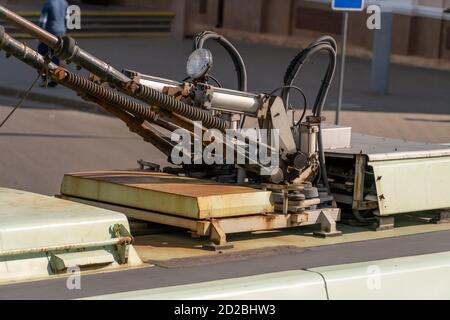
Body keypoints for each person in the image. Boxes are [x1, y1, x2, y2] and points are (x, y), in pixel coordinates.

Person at [38, 0, 69, 87]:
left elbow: (43, 20)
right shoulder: (64, 3)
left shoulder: (49, 3)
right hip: (61, 32)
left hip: (49, 33)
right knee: (56, 55)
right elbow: (67, 19)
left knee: (42, 55)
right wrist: (64, 30)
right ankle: (56, 76)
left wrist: (40, 34)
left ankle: (47, 77)